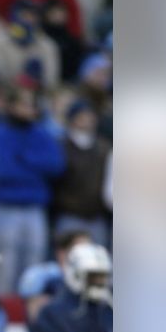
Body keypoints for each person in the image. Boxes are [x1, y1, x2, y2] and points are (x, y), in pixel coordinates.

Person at [0, 85, 66, 293]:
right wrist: (35, 169)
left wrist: (24, 159)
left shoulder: (41, 133)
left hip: (35, 207)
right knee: (4, 263)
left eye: (32, 105)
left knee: (35, 261)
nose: (29, 110)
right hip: (4, 206)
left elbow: (56, 165)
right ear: (10, 106)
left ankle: (31, 309)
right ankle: (4, 311)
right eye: (23, 104)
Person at [52, 100, 111, 246]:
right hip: (69, 215)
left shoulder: (104, 147)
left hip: (96, 217)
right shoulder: (61, 145)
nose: (87, 120)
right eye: (82, 116)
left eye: (90, 116)